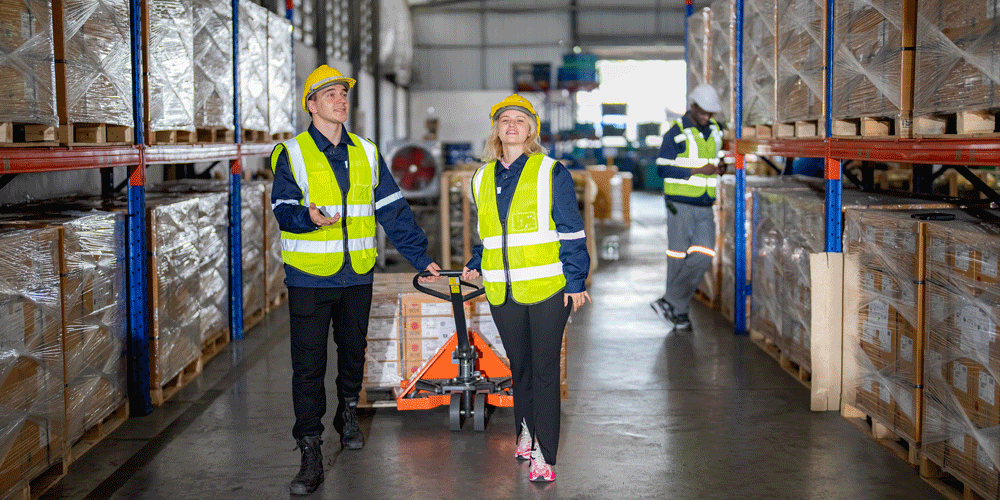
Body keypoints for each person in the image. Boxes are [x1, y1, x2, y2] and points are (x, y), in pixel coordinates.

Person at [270, 64, 441, 496]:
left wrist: (421, 258)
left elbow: (393, 211)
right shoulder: (290, 154)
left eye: (343, 94)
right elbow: (283, 209)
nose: (340, 100)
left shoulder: (366, 152)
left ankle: (347, 412)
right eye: (330, 94)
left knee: (352, 352)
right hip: (310, 277)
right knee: (308, 367)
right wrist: (306, 218)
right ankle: (309, 449)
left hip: (356, 275)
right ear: (311, 105)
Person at [460, 94, 591, 483]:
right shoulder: (482, 177)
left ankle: (544, 455)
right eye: (505, 119)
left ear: (531, 129)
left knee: (545, 368)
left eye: (520, 119)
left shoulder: (551, 172)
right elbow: (488, 234)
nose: (512, 125)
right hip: (503, 291)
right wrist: (474, 264)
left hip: (549, 289)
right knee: (520, 367)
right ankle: (525, 430)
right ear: (496, 129)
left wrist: (576, 280)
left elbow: (572, 230)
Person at [649, 84, 726, 331]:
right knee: (677, 257)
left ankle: (668, 302)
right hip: (679, 203)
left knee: (704, 255)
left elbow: (718, 157)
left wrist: (721, 167)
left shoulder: (716, 130)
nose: (706, 117)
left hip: (705, 202)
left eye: (710, 113)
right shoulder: (676, 133)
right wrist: (695, 170)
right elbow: (661, 168)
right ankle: (679, 314)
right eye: (702, 112)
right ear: (692, 106)